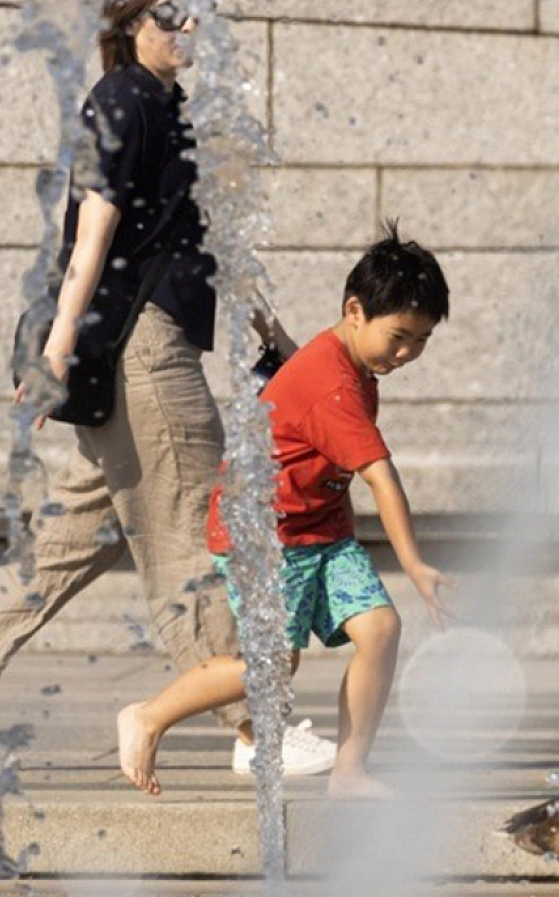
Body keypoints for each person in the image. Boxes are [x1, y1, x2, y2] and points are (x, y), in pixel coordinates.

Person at [0, 0, 334, 778]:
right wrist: (57, 346)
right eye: (174, 13)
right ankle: (256, 730)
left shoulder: (168, 107)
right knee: (197, 531)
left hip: (143, 350)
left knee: (69, 539)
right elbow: (91, 231)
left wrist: (276, 339)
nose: (191, 27)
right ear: (133, 19)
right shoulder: (123, 98)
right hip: (146, 352)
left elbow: (212, 243)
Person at [115, 222, 453, 800]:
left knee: (380, 628)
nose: (406, 354)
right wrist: (415, 565)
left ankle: (349, 775)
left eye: (420, 341)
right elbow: (380, 476)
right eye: (398, 337)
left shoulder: (354, 367)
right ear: (354, 311)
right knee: (270, 665)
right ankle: (147, 716)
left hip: (321, 532)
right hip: (264, 536)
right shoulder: (331, 385)